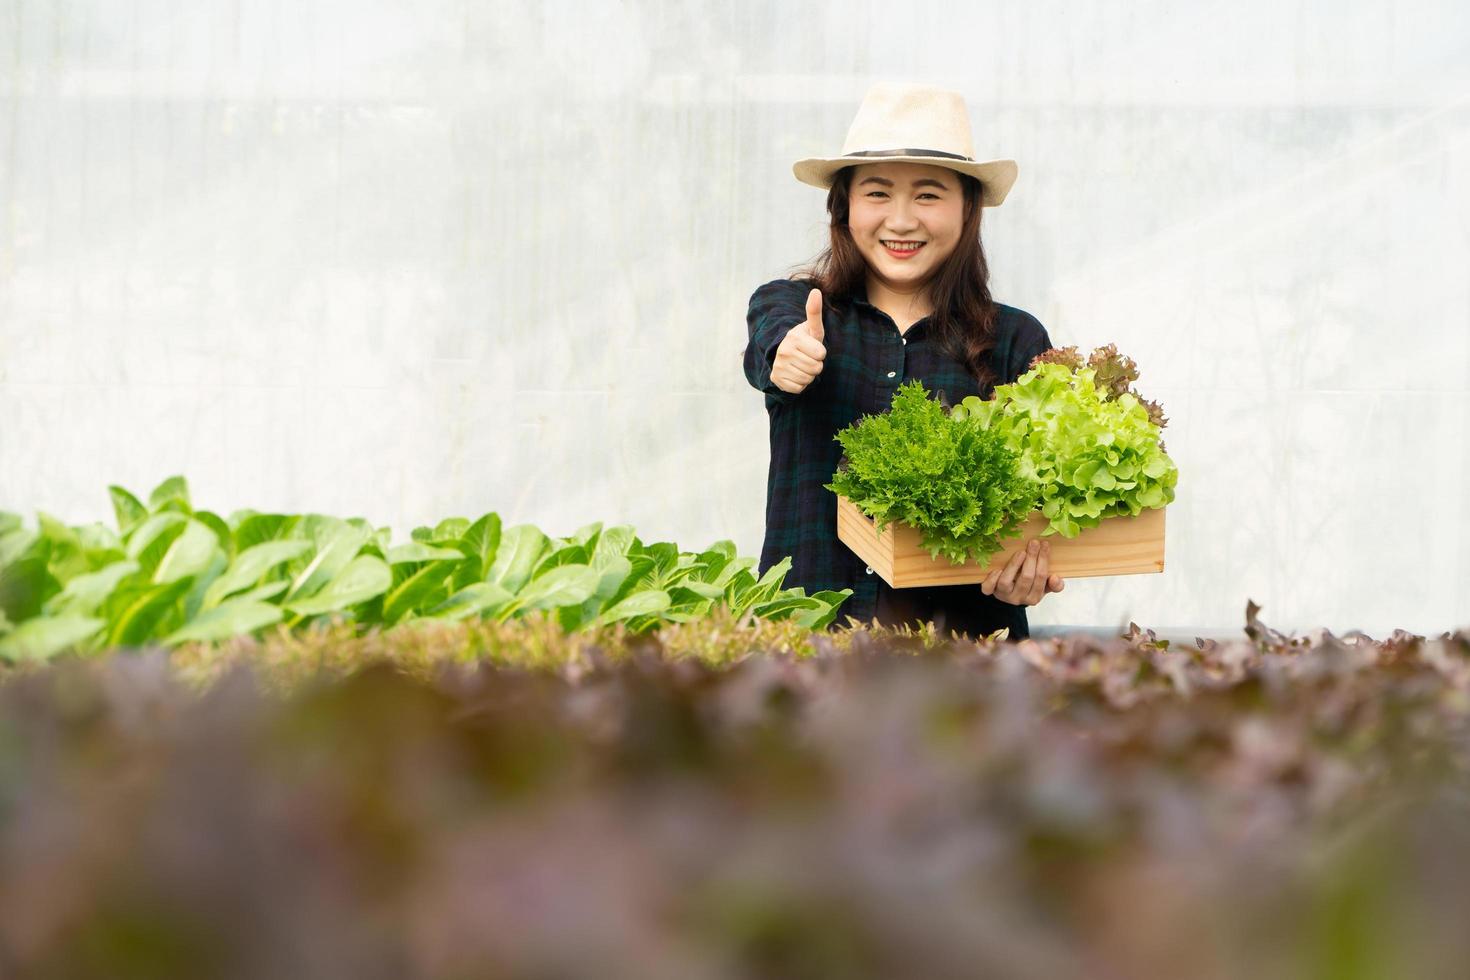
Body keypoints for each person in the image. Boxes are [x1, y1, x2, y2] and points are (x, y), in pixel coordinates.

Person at [742, 82, 1065, 639]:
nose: (901, 220)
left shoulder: (1015, 338)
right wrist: (787, 356)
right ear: (843, 207)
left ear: (968, 209)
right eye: (877, 193)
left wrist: (1029, 567)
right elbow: (772, 344)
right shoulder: (796, 307)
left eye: (928, 195)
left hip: (962, 662)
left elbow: (1044, 507)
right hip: (806, 649)